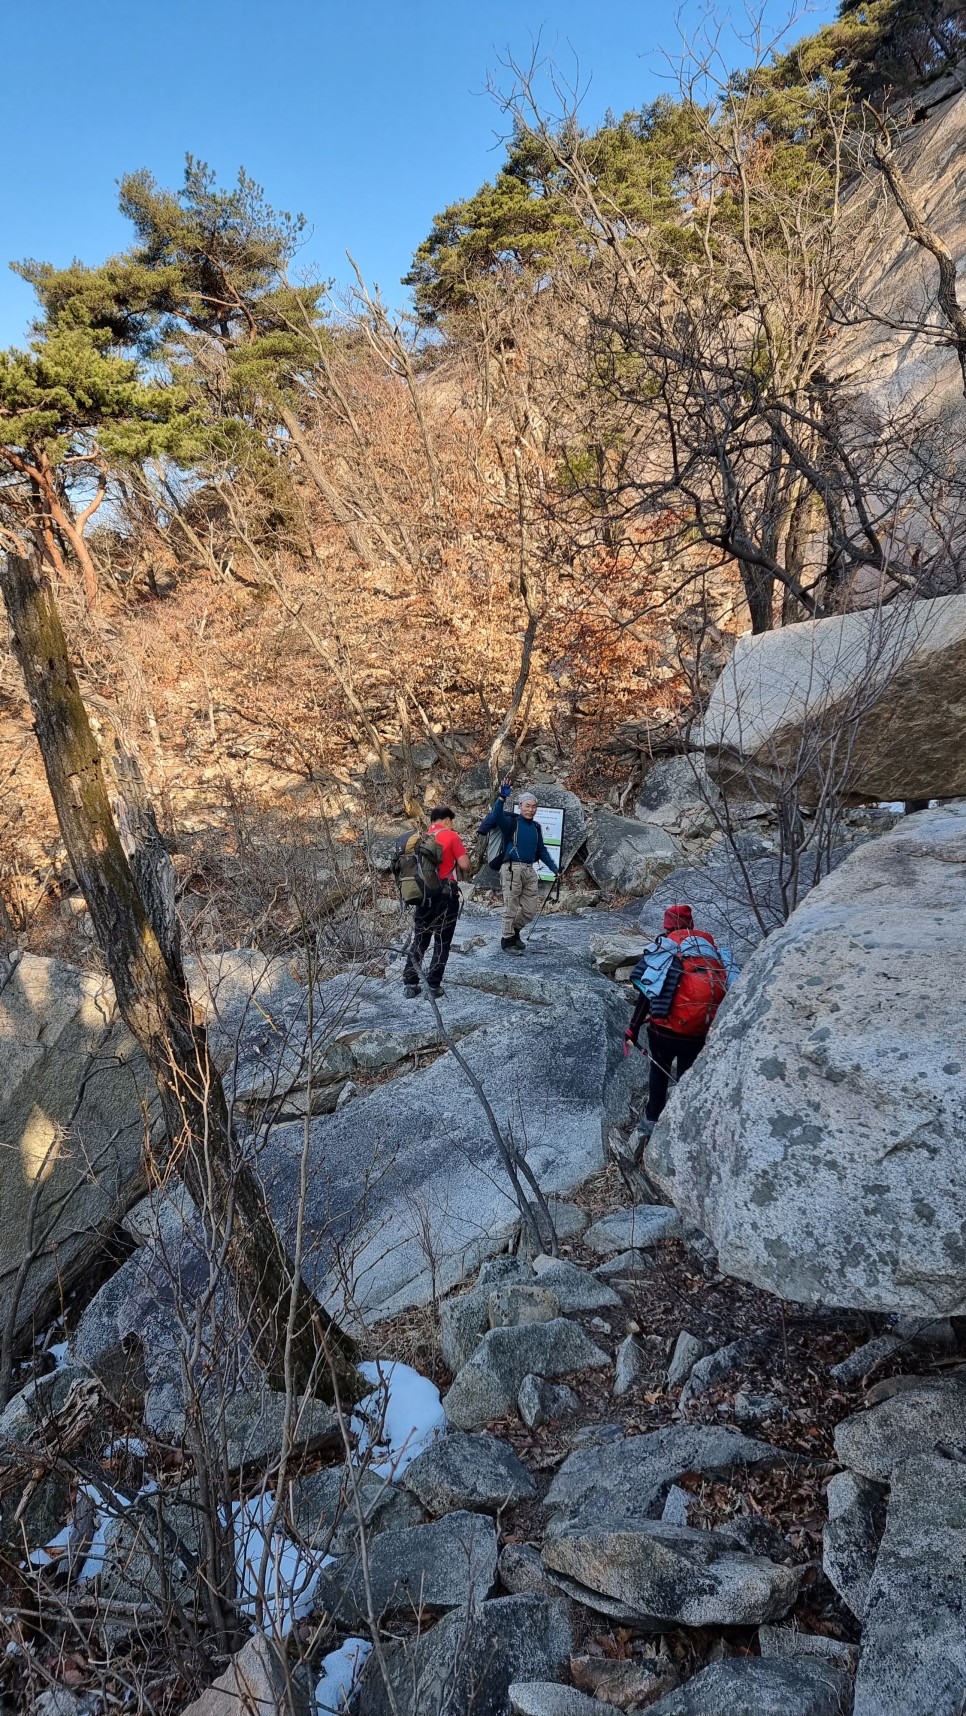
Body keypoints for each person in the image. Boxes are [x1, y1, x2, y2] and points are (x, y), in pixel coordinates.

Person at [624, 904, 728, 1150]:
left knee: (659, 1070)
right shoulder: (708, 947)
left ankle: (651, 1121)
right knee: (686, 1075)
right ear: (691, 924)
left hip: (665, 1030)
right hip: (701, 1029)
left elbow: (646, 995)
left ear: (667, 925)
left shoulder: (665, 946)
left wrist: (632, 1029)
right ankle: (685, 1122)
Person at [478, 781, 559, 953]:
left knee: (530, 910)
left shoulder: (536, 827)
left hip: (529, 870)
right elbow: (497, 815)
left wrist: (554, 869)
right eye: (527, 806)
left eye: (534, 806)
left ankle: (514, 932)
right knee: (511, 906)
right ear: (520, 807)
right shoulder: (511, 823)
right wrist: (502, 797)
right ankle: (507, 941)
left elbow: (542, 850)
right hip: (511, 869)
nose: (531, 809)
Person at [402, 806, 470, 999]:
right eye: (452, 822)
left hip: (423, 895)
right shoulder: (452, 836)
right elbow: (464, 864)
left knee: (420, 939)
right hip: (445, 895)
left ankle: (410, 982)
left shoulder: (420, 838)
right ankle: (432, 986)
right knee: (442, 941)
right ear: (447, 821)